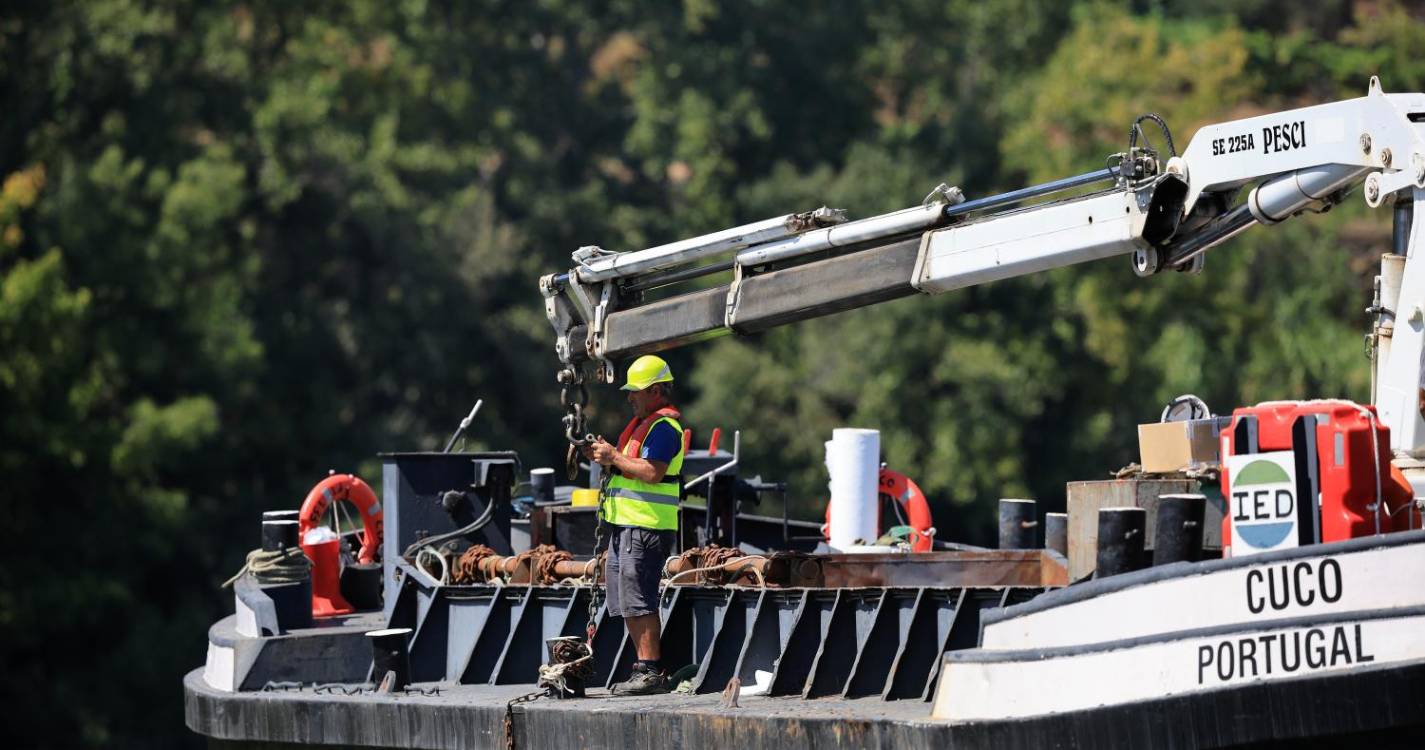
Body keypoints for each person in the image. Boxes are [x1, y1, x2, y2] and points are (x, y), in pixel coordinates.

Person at [582, 354, 684, 696]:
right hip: (626, 526)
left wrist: (613, 458)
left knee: (639, 597)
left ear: (656, 391)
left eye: (636, 391)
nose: (629, 397)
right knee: (626, 598)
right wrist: (602, 456)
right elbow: (627, 467)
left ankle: (651, 671)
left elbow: (652, 472)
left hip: (646, 527)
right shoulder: (641, 427)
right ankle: (643, 667)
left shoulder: (665, 428)